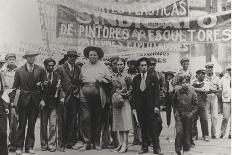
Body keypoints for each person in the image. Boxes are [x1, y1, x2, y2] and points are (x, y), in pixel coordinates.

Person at [79, 46, 112, 151]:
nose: (92, 56)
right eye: (90, 55)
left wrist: (102, 79)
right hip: (84, 94)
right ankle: (87, 142)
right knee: (85, 118)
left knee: (97, 119)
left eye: (94, 55)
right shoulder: (84, 66)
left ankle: (96, 143)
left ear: (98, 56)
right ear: (88, 56)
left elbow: (110, 80)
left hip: (98, 94)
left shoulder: (103, 66)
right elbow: (80, 80)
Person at [12, 51, 45, 155]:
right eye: (29, 57)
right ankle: (19, 147)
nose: (31, 58)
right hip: (23, 101)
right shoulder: (19, 70)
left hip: (35, 101)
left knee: (31, 125)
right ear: (26, 58)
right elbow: (15, 87)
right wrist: (14, 103)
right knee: (21, 125)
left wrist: (42, 99)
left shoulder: (40, 69)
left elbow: (44, 87)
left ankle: (29, 147)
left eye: (33, 57)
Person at [131, 57, 163, 155]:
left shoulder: (153, 77)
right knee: (143, 127)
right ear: (138, 67)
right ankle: (144, 147)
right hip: (141, 108)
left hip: (151, 107)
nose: (144, 67)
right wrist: (134, 108)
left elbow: (157, 93)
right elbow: (134, 94)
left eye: (145, 65)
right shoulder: (136, 79)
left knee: (153, 128)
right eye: (142, 65)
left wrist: (157, 106)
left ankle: (156, 148)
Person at [56, 50, 81, 151]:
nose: (72, 58)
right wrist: (62, 96)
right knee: (63, 120)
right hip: (64, 97)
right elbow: (58, 84)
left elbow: (79, 82)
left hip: (74, 97)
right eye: (70, 56)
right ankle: (61, 143)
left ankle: (70, 143)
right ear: (67, 57)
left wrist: (77, 91)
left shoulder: (78, 69)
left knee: (72, 120)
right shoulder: (60, 68)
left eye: (74, 57)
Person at [173, 75, 198, 155]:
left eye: (187, 82)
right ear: (180, 84)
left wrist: (192, 113)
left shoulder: (192, 92)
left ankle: (186, 150)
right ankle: (178, 149)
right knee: (179, 131)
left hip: (188, 115)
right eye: (183, 82)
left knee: (187, 132)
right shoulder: (177, 92)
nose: (185, 84)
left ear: (189, 83)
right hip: (179, 115)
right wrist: (175, 111)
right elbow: (173, 102)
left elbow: (196, 105)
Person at [112, 58, 133, 153]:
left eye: (121, 64)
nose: (119, 66)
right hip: (117, 102)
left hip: (124, 102)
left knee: (125, 124)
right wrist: (115, 94)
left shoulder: (127, 76)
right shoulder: (115, 76)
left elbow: (131, 90)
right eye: (117, 64)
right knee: (118, 124)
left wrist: (123, 94)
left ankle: (125, 144)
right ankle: (120, 144)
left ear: (124, 66)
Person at [39, 58, 59, 152]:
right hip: (43, 104)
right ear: (45, 66)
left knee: (53, 124)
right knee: (43, 125)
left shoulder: (56, 75)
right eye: (49, 65)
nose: (51, 67)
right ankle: (44, 144)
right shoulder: (40, 75)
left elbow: (58, 89)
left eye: (52, 65)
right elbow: (36, 88)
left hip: (53, 104)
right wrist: (41, 99)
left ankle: (51, 144)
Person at [1, 53, 18, 152]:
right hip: (4, 99)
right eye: (9, 59)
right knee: (3, 123)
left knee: (13, 122)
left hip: (14, 98)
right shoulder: (2, 72)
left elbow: (18, 88)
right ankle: (3, 145)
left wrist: (15, 101)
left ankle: (13, 144)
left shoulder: (18, 71)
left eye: (13, 59)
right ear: (6, 61)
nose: (11, 61)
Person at [191, 69, 210, 141]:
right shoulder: (193, 82)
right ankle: (194, 135)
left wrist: (195, 89)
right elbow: (190, 89)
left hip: (202, 103)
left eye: (204, 74)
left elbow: (205, 90)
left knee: (204, 119)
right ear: (198, 74)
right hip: (194, 103)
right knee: (193, 119)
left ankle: (205, 135)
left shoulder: (206, 82)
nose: (204, 75)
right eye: (202, 73)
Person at [204, 62, 221, 139]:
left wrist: (214, 91)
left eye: (211, 67)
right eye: (208, 68)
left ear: (212, 69)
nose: (209, 69)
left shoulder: (217, 78)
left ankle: (214, 134)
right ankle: (206, 134)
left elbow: (220, 90)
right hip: (206, 98)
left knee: (214, 116)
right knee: (205, 116)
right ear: (206, 69)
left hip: (214, 97)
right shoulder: (203, 77)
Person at [127, 58, 141, 146]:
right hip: (128, 99)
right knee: (131, 120)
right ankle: (135, 138)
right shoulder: (126, 75)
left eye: (133, 64)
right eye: (129, 64)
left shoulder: (138, 75)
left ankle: (138, 138)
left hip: (137, 99)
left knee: (137, 119)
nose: (131, 65)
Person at [220, 66, 231, 139]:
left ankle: (231, 133)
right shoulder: (223, 78)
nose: (230, 71)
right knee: (225, 117)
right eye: (229, 70)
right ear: (227, 70)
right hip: (226, 99)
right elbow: (220, 87)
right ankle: (222, 133)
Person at [0, 72, 8, 155]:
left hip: (1, 105)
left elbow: (4, 92)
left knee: (2, 131)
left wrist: (5, 106)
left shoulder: (1, 75)